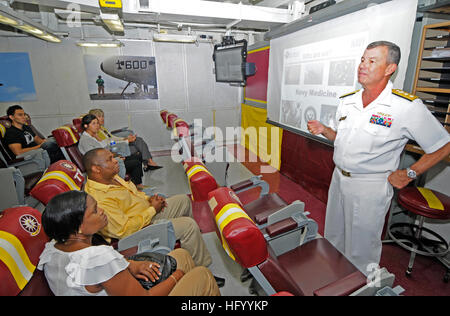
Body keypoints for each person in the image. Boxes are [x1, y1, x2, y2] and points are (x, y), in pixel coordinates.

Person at [307, 41, 450, 274]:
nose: (363, 65)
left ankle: (360, 287)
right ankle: (333, 283)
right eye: (363, 59)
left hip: (370, 186)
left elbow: (443, 146)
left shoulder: (405, 107)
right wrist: (325, 130)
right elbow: (343, 139)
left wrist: (409, 173)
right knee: (333, 239)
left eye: (372, 61)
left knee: (361, 251)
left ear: (389, 69)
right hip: (339, 179)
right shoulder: (348, 100)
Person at [37, 190, 220, 296]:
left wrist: (130, 264)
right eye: (94, 211)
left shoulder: (52, 249)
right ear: (77, 229)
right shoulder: (98, 258)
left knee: (182, 255)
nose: (102, 211)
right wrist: (176, 277)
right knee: (202, 275)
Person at [82, 148, 213, 268]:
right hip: (137, 232)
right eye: (110, 159)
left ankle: (190, 245)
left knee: (184, 201)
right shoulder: (99, 199)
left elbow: (134, 194)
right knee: (188, 226)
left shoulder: (111, 177)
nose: (116, 161)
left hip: (145, 214)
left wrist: (148, 199)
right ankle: (200, 267)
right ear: (96, 169)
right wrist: (152, 210)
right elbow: (124, 230)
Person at [78, 114, 144, 188]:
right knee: (135, 162)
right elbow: (95, 159)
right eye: (93, 123)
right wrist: (114, 158)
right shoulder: (86, 141)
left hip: (107, 158)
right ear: (86, 126)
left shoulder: (94, 136)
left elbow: (108, 142)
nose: (97, 125)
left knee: (137, 156)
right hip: (103, 165)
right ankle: (132, 185)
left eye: (97, 123)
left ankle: (135, 183)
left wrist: (117, 153)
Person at [88, 109, 162, 171]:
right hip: (115, 150)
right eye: (99, 116)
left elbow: (112, 138)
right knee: (137, 146)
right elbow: (110, 143)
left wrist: (125, 139)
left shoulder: (102, 129)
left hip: (117, 146)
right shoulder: (97, 132)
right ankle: (148, 163)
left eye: (103, 116)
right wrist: (126, 141)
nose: (102, 118)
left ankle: (148, 163)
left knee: (138, 140)